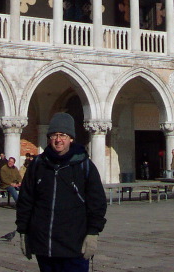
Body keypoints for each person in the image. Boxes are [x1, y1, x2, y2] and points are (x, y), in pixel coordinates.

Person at [16, 112, 107, 271]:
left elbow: (97, 202)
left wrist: (93, 232)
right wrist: (23, 231)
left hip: (74, 245)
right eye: (54, 135)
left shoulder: (84, 166)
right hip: (45, 246)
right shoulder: (38, 165)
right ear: (49, 138)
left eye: (63, 135)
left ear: (71, 138)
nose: (58, 140)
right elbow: (26, 200)